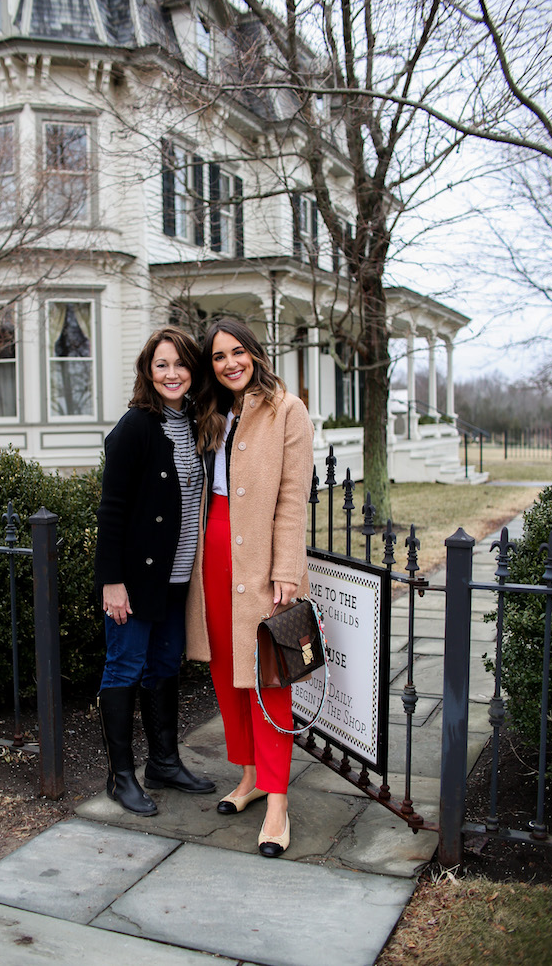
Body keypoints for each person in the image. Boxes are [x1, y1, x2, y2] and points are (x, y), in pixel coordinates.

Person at [185, 317, 314, 856]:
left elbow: (292, 496)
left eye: (237, 351)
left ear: (255, 353)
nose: (230, 363)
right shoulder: (212, 410)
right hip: (212, 547)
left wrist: (286, 569)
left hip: (260, 556)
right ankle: (249, 776)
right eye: (218, 356)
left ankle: (278, 800)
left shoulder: (287, 408)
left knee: (268, 677)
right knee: (226, 670)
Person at [94, 326, 216, 816]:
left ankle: (163, 762)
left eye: (181, 364)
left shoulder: (197, 424)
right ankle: (120, 776)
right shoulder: (135, 427)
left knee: (165, 666)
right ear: (148, 370)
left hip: (178, 578)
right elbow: (112, 509)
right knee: (125, 665)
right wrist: (112, 581)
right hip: (135, 580)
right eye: (161, 364)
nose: (172, 374)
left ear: (193, 370)